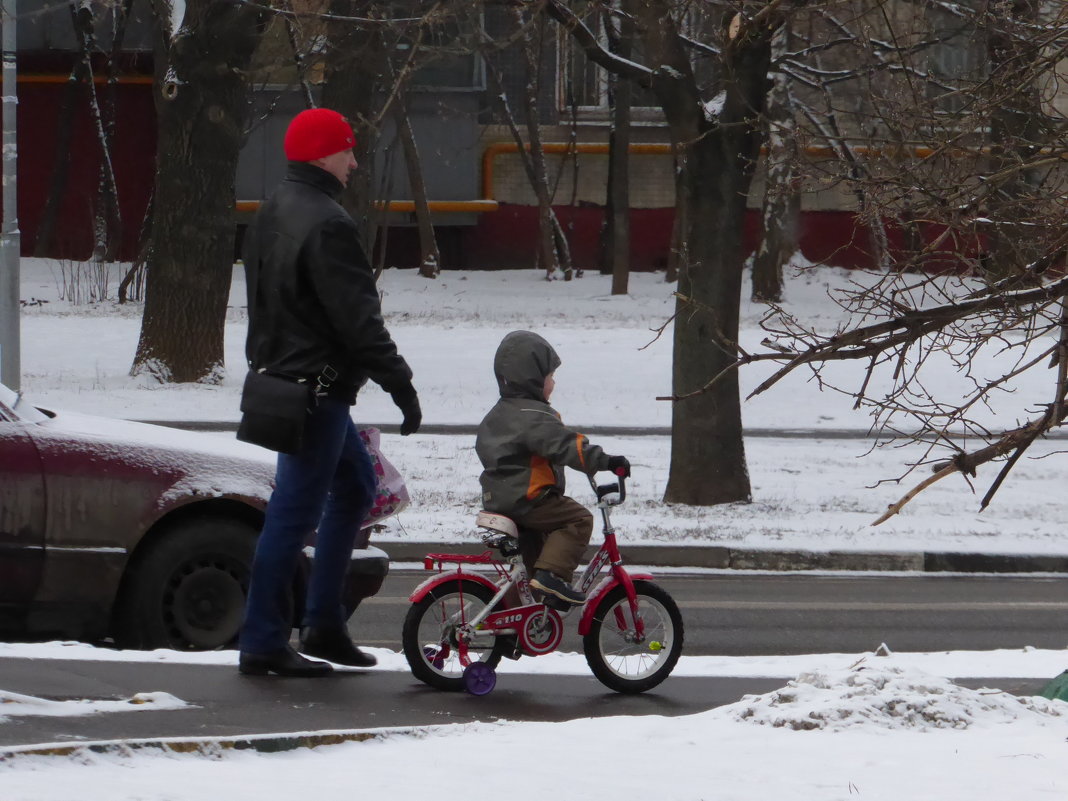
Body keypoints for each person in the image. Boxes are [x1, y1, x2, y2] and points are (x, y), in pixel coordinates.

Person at [237, 108, 421, 677]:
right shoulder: (330, 223)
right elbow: (358, 321)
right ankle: (264, 640)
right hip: (314, 391)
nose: (354, 161)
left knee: (356, 485)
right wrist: (401, 383)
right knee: (291, 517)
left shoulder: (271, 211)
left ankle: (323, 624)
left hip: (285, 381)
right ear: (321, 154)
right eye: (347, 150)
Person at [475, 330, 629, 607]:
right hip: (529, 499)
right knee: (577, 519)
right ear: (532, 378)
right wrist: (605, 461)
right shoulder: (534, 415)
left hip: (500, 500)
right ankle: (553, 576)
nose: (553, 383)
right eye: (550, 377)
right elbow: (565, 445)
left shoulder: (499, 412)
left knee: (530, 570)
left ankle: (516, 622)